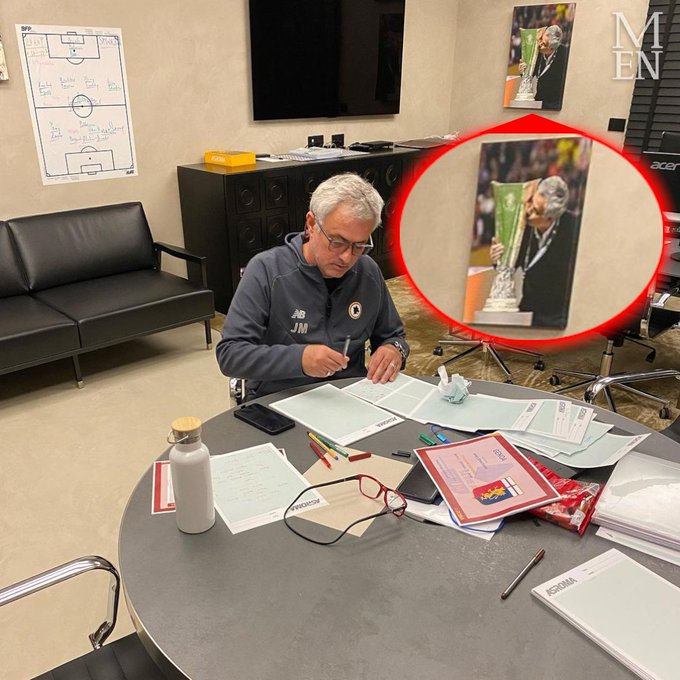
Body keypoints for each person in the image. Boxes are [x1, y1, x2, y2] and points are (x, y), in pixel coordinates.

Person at [216, 173, 409, 400]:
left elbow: (394, 335)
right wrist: (300, 360)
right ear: (311, 224)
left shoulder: (368, 272)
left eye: (359, 246)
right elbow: (230, 355)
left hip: (349, 398)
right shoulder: (266, 271)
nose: (347, 258)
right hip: (280, 400)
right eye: (337, 242)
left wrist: (394, 350)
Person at [491, 175, 580, 328]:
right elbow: (510, 264)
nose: (528, 210)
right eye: (531, 201)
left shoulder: (574, 230)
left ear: (549, 218)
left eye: (536, 211)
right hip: (527, 307)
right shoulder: (522, 223)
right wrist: (497, 257)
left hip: (557, 313)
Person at [519, 25, 568, 110]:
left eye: (544, 44)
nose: (540, 44)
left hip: (555, 104)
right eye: (541, 39)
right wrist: (523, 70)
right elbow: (531, 73)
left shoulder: (565, 56)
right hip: (538, 101)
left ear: (551, 48)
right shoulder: (537, 51)